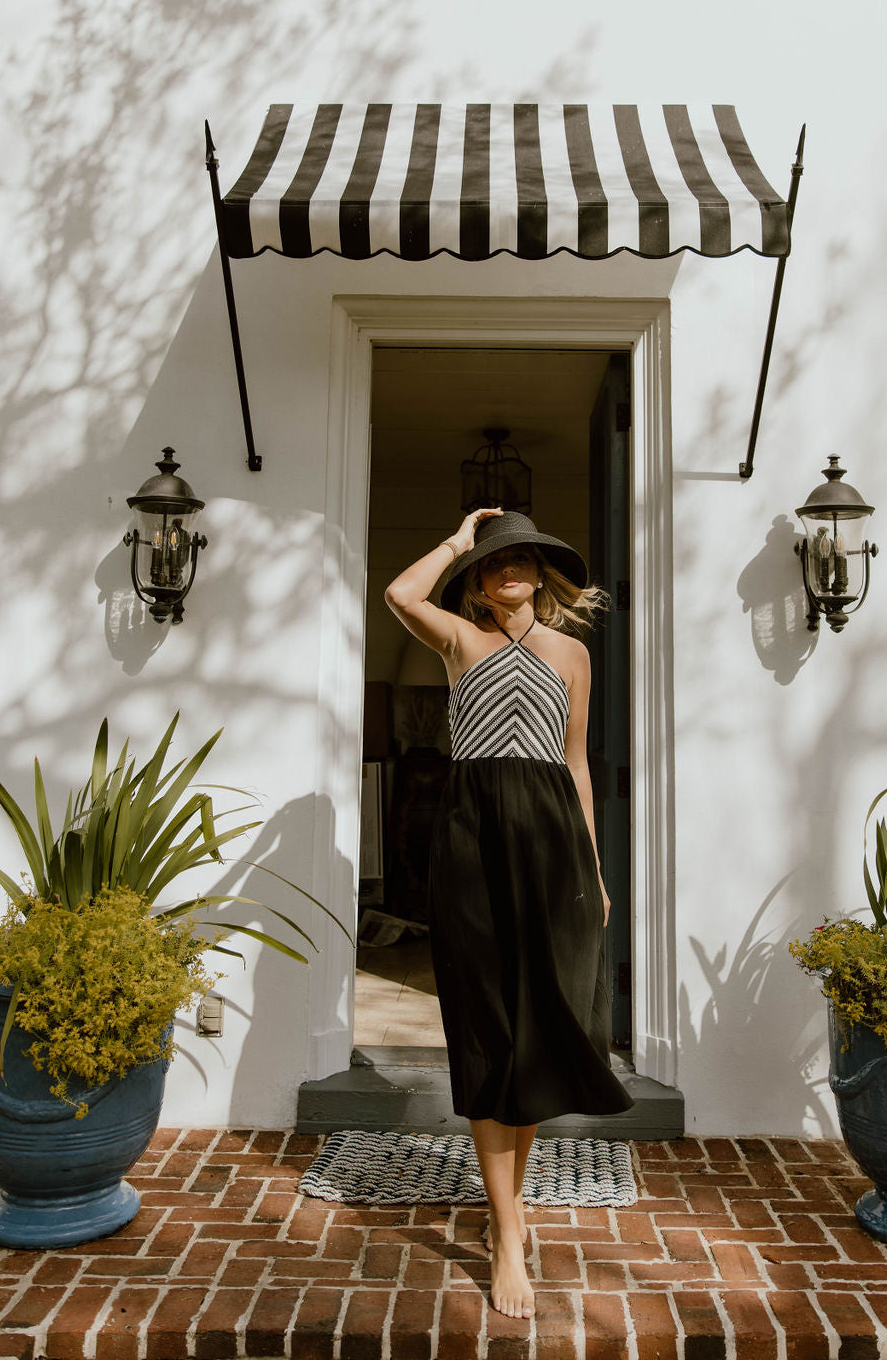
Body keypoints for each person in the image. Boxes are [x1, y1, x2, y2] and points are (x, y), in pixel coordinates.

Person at [385, 506, 634, 1322]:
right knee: (488, 1025)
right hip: (475, 841)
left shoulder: (573, 653)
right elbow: (398, 591)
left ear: (541, 572)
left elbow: (575, 764)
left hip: (556, 843)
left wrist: (594, 868)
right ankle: (504, 1227)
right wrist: (456, 539)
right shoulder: (460, 640)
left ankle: (513, 1206)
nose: (508, 571)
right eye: (494, 564)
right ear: (481, 583)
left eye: (521, 559)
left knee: (539, 1030)